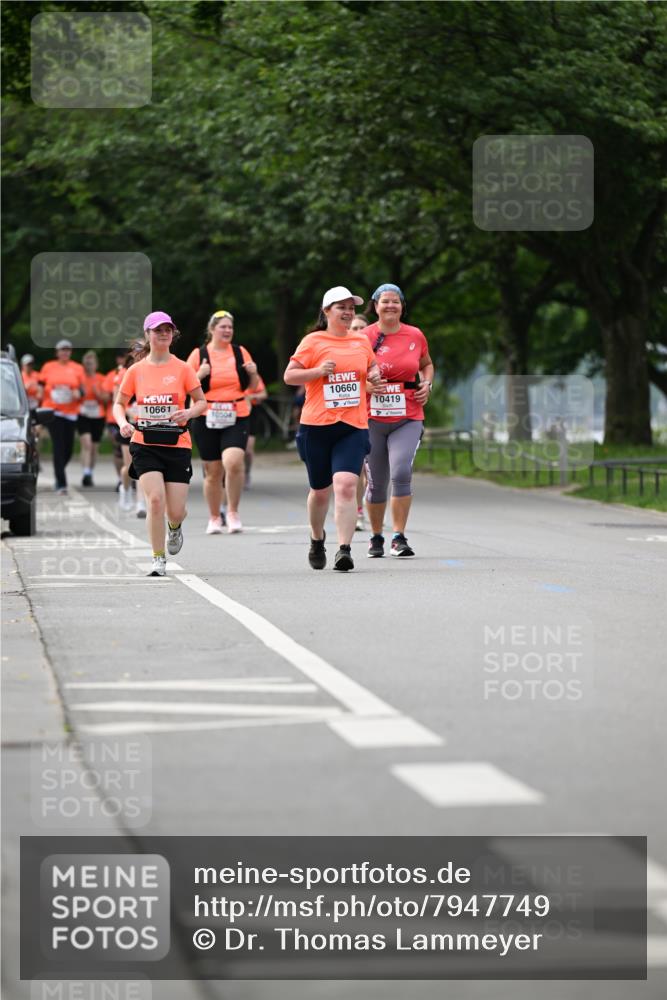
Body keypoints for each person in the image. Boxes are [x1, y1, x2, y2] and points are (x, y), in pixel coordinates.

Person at [284, 286, 381, 572]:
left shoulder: (361, 342)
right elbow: (289, 376)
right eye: (341, 307)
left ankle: (344, 549)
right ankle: (317, 539)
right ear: (327, 311)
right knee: (321, 491)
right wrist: (317, 372)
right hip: (316, 426)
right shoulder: (313, 341)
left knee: (346, 486)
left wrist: (375, 377)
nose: (348, 312)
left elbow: (372, 370)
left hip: (352, 425)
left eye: (351, 307)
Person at [113, 311, 206, 577]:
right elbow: (119, 404)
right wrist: (123, 423)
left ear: (172, 335)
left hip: (177, 443)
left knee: (175, 511)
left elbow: (201, 402)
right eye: (157, 330)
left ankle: (174, 528)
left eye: (167, 330)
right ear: (148, 335)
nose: (163, 333)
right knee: (155, 501)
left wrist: (188, 413)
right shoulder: (136, 371)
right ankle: (157, 558)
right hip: (145, 443)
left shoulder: (183, 368)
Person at [363, 283, 434, 558]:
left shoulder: (415, 334)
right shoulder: (364, 337)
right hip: (371, 417)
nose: (390, 306)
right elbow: (350, 372)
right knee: (377, 481)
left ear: (403, 306)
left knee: (401, 471)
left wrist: (427, 384)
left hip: (408, 414)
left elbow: (427, 364)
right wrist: (366, 387)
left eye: (395, 301)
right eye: (385, 301)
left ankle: (398, 537)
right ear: (375, 306)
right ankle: (376, 536)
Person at [187, 309, 259, 535]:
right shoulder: (199, 355)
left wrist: (254, 373)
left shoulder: (240, 352)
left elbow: (252, 387)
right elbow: (184, 385)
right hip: (206, 415)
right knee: (213, 471)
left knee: (234, 462)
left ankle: (233, 512)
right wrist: (200, 374)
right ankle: (214, 517)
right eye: (223, 327)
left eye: (230, 327)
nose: (227, 330)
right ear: (212, 330)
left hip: (236, 413)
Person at [39, 339, 85, 495]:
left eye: (67, 350)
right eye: (62, 350)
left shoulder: (77, 368)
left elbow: (82, 390)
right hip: (54, 412)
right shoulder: (48, 367)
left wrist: (78, 393)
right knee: (58, 446)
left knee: (68, 449)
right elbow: (40, 387)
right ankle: (61, 483)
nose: (65, 352)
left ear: (70, 352)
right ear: (57, 352)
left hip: (70, 413)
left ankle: (58, 471)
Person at [349, 314, 369, 530]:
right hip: (354, 416)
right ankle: (358, 510)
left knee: (372, 468)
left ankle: (370, 502)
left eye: (362, 327)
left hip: (377, 415)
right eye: (354, 327)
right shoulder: (343, 352)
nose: (358, 331)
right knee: (358, 468)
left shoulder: (375, 354)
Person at [77, 351, 107, 487]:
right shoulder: (80, 378)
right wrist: (79, 393)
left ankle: (90, 471)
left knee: (94, 447)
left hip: (98, 415)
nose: (89, 366)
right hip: (83, 414)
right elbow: (74, 395)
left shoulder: (101, 378)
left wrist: (98, 393)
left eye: (92, 363)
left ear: (96, 365)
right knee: (87, 444)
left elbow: (107, 399)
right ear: (84, 365)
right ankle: (86, 473)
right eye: (87, 363)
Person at [244, 373, 268, 487]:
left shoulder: (253, 376)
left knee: (248, 450)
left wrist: (252, 397)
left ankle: (246, 473)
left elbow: (263, 394)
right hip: (232, 411)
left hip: (251, 412)